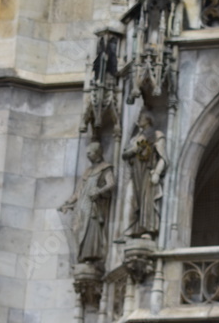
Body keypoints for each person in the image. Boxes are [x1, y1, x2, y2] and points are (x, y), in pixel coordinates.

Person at [61, 141, 116, 263]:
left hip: (94, 207)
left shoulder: (105, 168)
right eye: (86, 153)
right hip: (82, 207)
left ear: (97, 153)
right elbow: (78, 192)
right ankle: (81, 256)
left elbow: (111, 184)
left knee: (91, 231)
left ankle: (90, 257)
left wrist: (99, 192)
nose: (87, 156)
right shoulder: (87, 171)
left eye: (89, 153)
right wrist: (67, 202)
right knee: (78, 230)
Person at [122, 110, 167, 239]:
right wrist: (133, 150)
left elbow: (163, 157)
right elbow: (124, 155)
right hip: (135, 172)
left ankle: (148, 229)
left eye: (141, 117)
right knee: (130, 199)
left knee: (147, 200)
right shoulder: (135, 139)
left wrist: (157, 173)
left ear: (148, 119)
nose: (138, 120)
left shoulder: (157, 135)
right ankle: (131, 230)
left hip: (148, 171)